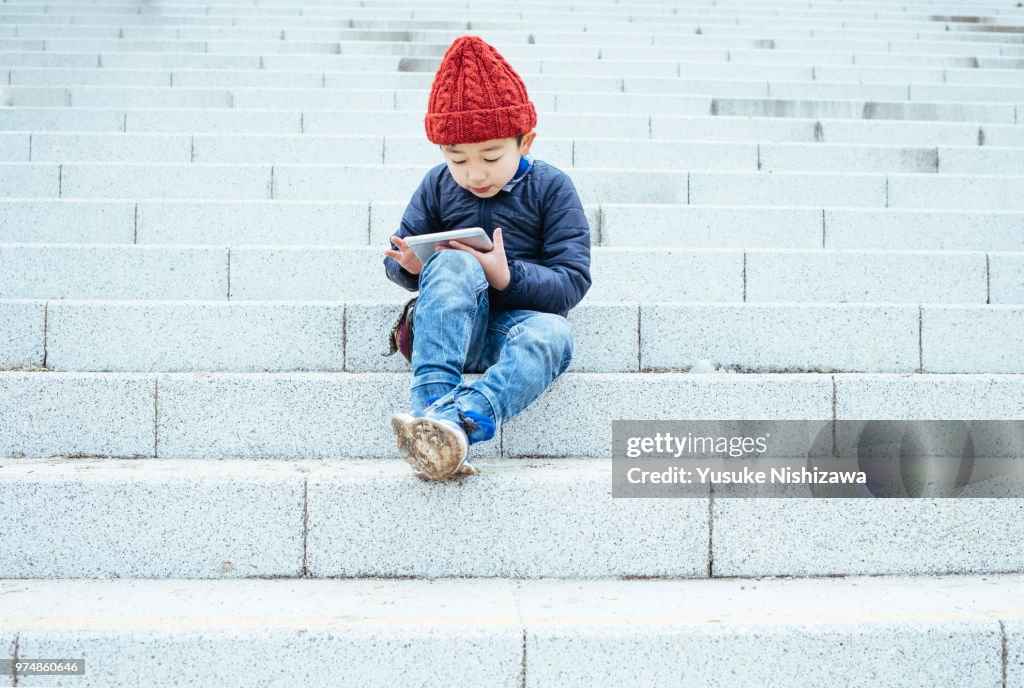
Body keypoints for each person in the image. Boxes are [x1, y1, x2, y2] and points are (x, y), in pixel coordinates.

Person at [382, 35, 592, 480]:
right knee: (453, 263)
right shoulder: (437, 185)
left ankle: (453, 424)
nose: (474, 173)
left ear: (526, 141)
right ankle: (432, 403)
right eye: (457, 159)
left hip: (516, 328)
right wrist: (411, 269)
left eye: (491, 156)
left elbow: (572, 279)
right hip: (448, 323)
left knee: (555, 334)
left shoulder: (553, 189)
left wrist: (506, 276)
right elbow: (400, 251)